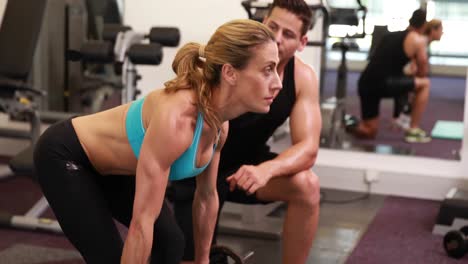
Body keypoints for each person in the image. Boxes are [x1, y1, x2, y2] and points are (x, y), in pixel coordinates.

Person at [33, 19, 281, 264]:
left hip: (113, 170)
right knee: (110, 257)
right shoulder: (178, 120)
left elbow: (206, 197)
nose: (278, 83)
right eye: (267, 69)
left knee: (170, 242)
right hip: (66, 155)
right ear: (230, 73)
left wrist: (203, 260)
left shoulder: (219, 125)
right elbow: (143, 223)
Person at [167, 0, 322, 264]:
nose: (277, 38)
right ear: (262, 22)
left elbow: (308, 148)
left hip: (245, 169)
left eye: (289, 34)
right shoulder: (232, 62)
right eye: (272, 26)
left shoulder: (302, 77)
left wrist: (266, 170)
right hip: (199, 167)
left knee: (307, 185)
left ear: (302, 43)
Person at [351, 8, 432, 143]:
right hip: (383, 83)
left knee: (370, 131)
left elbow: (384, 62)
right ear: (424, 26)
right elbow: (423, 72)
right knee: (425, 84)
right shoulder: (418, 40)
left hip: (366, 83)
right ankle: (413, 129)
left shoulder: (389, 36)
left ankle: (346, 124)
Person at [395, 18, 444, 131]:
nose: (442, 33)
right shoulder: (421, 41)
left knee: (420, 84)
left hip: (407, 72)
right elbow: (415, 62)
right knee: (422, 85)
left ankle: (404, 117)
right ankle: (409, 123)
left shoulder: (425, 42)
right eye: (441, 29)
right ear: (433, 30)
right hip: (401, 73)